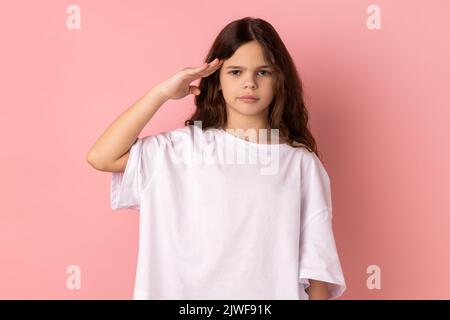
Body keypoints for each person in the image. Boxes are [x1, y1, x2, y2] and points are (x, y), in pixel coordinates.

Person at [86, 17, 346, 300]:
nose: (249, 83)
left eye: (263, 72)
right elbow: (102, 156)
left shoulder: (300, 165)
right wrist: (161, 93)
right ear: (218, 80)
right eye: (235, 72)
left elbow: (317, 266)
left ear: (279, 81)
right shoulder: (180, 150)